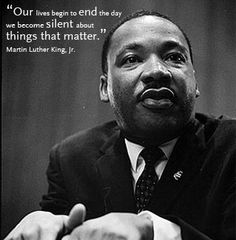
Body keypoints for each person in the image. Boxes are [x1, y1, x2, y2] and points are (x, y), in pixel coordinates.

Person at [5, 10, 236, 240]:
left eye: (174, 57)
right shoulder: (71, 158)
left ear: (194, 82)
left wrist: (153, 231)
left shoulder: (231, 146)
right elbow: (56, 224)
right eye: (132, 59)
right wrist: (43, 223)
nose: (157, 71)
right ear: (105, 88)